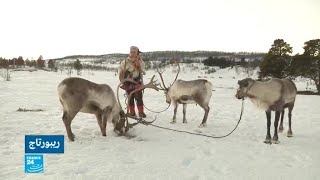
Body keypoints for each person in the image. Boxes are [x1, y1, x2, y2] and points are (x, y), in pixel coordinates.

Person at [118, 46, 146, 118]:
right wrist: (120, 73)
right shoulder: (125, 61)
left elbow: (143, 72)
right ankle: (132, 113)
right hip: (127, 82)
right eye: (131, 52)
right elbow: (120, 69)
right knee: (130, 98)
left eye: (134, 52)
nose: (132, 54)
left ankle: (141, 112)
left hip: (137, 81)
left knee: (139, 97)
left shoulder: (140, 61)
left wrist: (138, 67)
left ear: (137, 53)